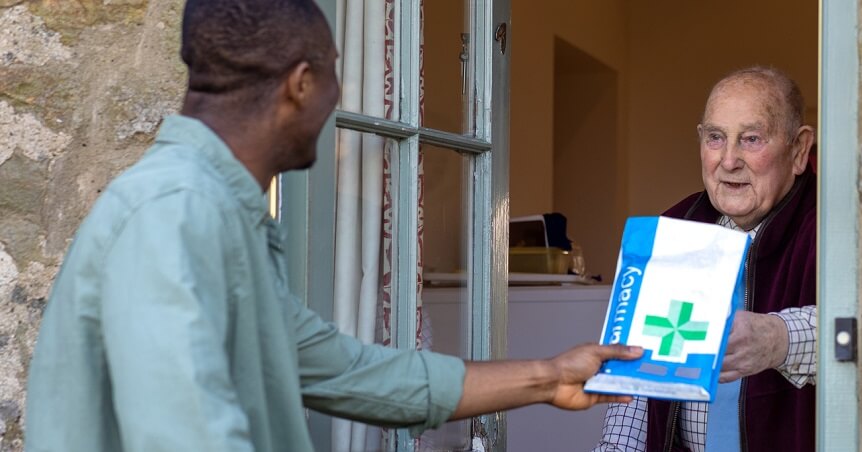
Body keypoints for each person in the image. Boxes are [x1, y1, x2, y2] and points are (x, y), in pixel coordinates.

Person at [23, 1, 640, 450]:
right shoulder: (173, 215)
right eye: (336, 72)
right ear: (301, 84)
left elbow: (353, 374)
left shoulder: (217, 215)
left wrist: (551, 376)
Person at [596, 66, 817, 452]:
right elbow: (633, 381)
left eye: (751, 139)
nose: (728, 160)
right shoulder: (672, 229)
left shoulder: (834, 229)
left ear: (798, 150)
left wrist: (778, 338)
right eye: (716, 138)